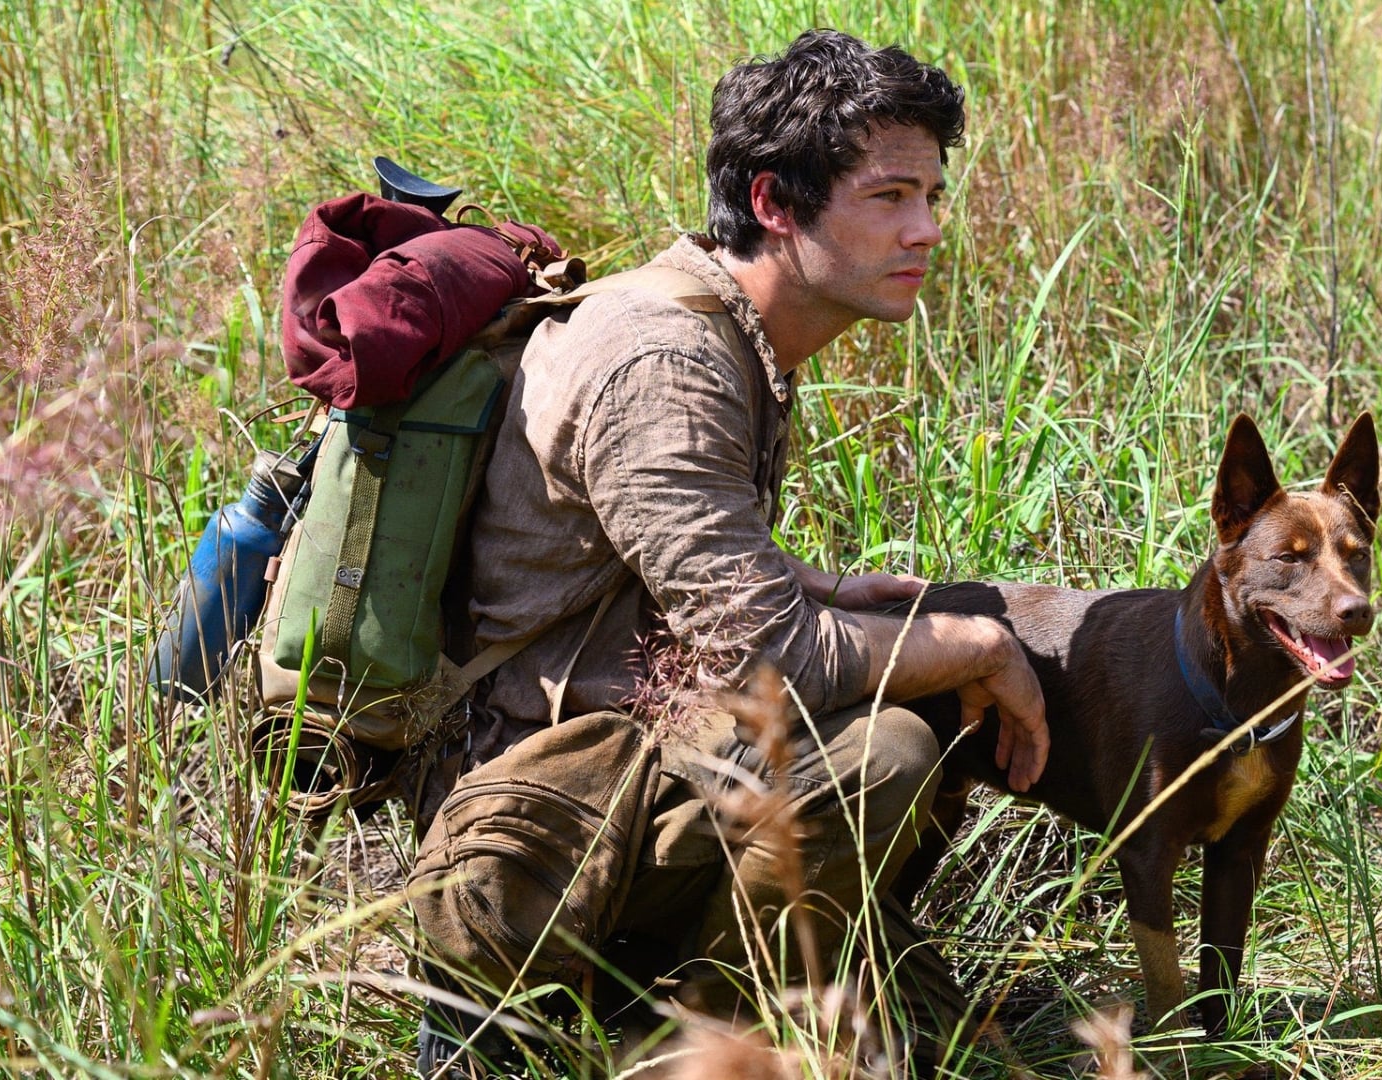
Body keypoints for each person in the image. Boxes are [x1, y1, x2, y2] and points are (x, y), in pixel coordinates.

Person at [412, 28, 1050, 1076]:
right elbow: (774, 661)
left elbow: (644, 557)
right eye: (889, 197)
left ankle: (739, 998)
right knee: (884, 753)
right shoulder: (667, 360)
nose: (927, 229)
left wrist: (825, 587)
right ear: (772, 203)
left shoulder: (725, 331)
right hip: (527, 822)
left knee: (910, 665)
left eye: (933, 196)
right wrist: (978, 646)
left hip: (617, 754)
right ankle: (688, 1044)